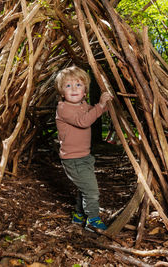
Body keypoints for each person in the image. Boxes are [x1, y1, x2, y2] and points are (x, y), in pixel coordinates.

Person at [54, 66, 113, 231]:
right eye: (68, 86)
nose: (73, 89)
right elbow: (84, 121)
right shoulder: (63, 108)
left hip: (84, 156)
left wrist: (105, 105)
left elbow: (94, 112)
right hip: (72, 159)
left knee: (84, 187)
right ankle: (92, 219)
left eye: (78, 85)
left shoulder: (83, 105)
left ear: (85, 90)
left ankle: (79, 214)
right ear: (61, 92)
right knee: (92, 190)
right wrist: (99, 106)